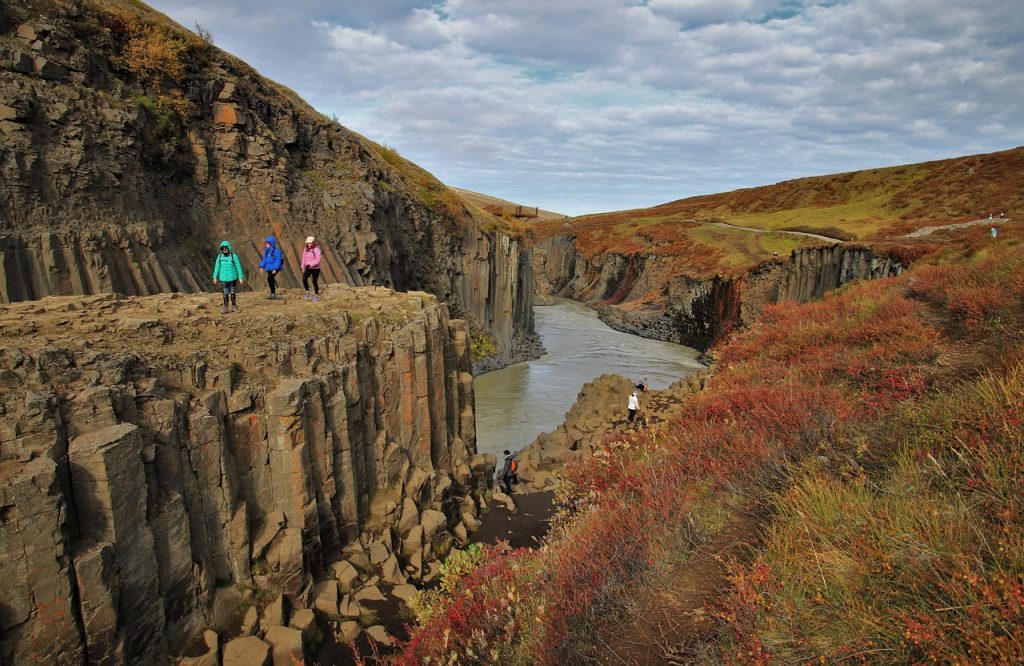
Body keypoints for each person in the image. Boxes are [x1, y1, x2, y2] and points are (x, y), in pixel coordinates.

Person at [212, 240, 244, 314]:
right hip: (223, 278)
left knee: (232, 292)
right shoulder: (219, 257)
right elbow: (217, 267)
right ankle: (225, 307)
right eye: (223, 249)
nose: (225, 250)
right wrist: (215, 277)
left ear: (229, 248)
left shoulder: (233, 256)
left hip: (233, 278)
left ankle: (234, 306)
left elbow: (238, 266)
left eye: (226, 248)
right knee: (225, 293)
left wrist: (240, 277)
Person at [258, 235, 283, 299]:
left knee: (269, 278)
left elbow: (278, 260)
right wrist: (261, 266)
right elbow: (264, 259)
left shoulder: (276, 251)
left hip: (274, 268)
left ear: (271, 244)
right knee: (270, 279)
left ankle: (273, 293)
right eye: (266, 243)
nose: (266, 245)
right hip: (269, 268)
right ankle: (273, 293)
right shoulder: (267, 251)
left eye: (267, 244)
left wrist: (275, 268)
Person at [301, 236, 322, 302]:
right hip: (308, 267)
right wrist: (302, 266)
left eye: (310, 243)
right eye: (308, 243)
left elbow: (318, 260)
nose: (308, 244)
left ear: (313, 242)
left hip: (315, 268)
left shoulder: (317, 250)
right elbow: (303, 257)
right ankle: (307, 292)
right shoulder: (306, 249)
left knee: (314, 281)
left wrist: (311, 264)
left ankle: (316, 296)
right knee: (304, 279)